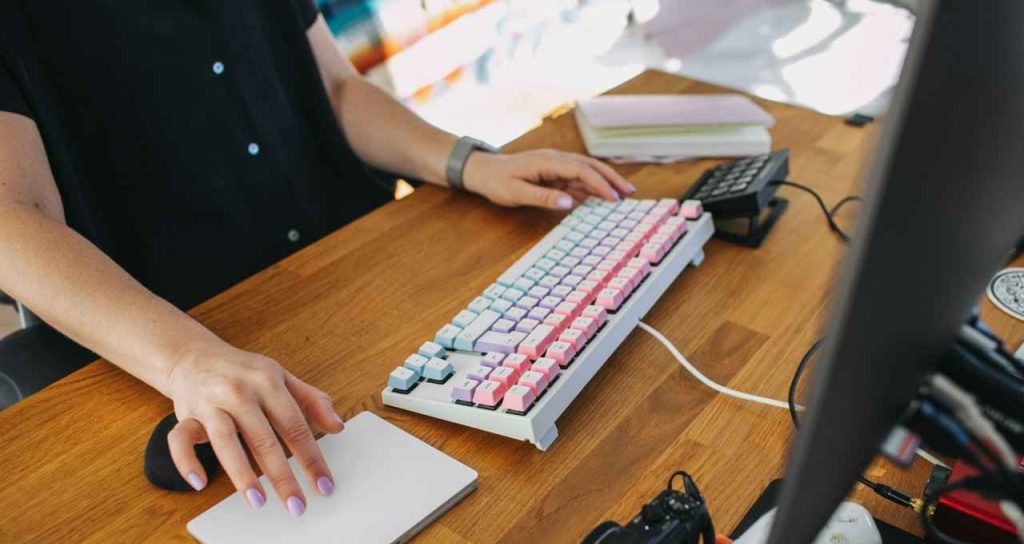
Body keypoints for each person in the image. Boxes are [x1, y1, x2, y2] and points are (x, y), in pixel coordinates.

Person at [0, 1, 634, 517]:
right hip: (196, 349)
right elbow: (12, 219)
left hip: (353, 287)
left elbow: (334, 88)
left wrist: (472, 163)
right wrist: (187, 359)